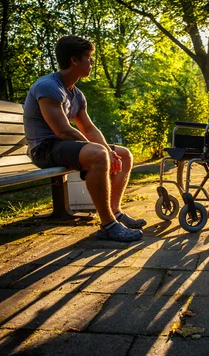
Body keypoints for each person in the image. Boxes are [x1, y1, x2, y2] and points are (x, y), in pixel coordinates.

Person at [23, 35, 145, 242]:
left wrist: (110, 151)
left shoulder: (76, 94)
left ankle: (115, 212)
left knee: (124, 154)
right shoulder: (48, 87)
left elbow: (88, 127)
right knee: (98, 154)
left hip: (62, 145)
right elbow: (63, 131)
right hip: (44, 148)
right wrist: (103, 152)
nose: (92, 62)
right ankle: (108, 225)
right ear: (74, 60)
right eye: (89, 58)